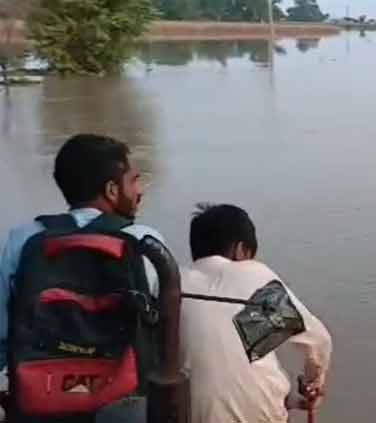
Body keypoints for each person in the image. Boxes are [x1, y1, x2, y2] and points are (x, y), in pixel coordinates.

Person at [0, 133, 167, 422]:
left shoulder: (22, 240)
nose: (139, 191)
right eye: (134, 181)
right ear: (112, 190)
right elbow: (165, 332)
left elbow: (3, 331)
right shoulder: (145, 242)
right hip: (124, 399)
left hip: (39, 393)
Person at [180, 204, 333, 423]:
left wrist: (289, 399)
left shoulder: (172, 283)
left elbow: (222, 368)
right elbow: (318, 343)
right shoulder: (254, 277)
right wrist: (312, 385)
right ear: (241, 250)